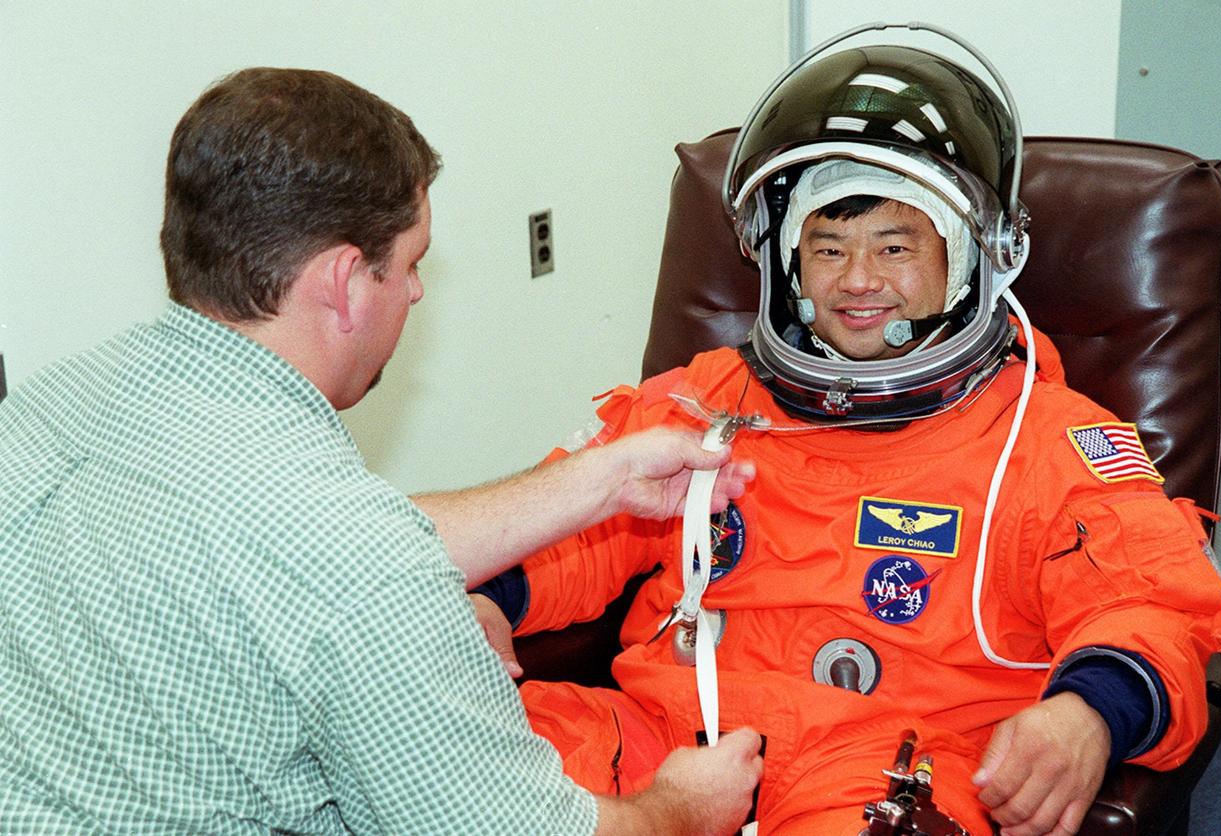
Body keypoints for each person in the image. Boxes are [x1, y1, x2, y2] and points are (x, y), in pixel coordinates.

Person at [471, 28, 1221, 836]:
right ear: (785, 265)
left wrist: (1088, 716)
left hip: (894, 764)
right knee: (435, 765)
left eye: (895, 245)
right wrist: (489, 600)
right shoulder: (704, 403)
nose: (858, 280)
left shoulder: (1043, 438)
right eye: (828, 247)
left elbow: (1151, 607)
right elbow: (577, 528)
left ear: (970, 258)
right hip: (664, 740)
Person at [0, 67, 764, 834]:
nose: (417, 291)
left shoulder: (51, 404)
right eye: (410, 262)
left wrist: (599, 484)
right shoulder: (359, 565)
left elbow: (290, 551)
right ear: (343, 282)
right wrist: (681, 809)